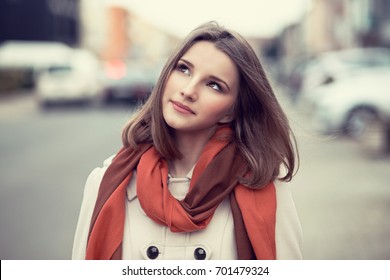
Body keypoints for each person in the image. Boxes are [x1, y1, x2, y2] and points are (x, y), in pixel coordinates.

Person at [72, 22, 303, 260]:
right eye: (183, 69)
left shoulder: (264, 188)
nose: (189, 90)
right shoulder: (105, 183)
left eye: (214, 85)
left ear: (231, 111)